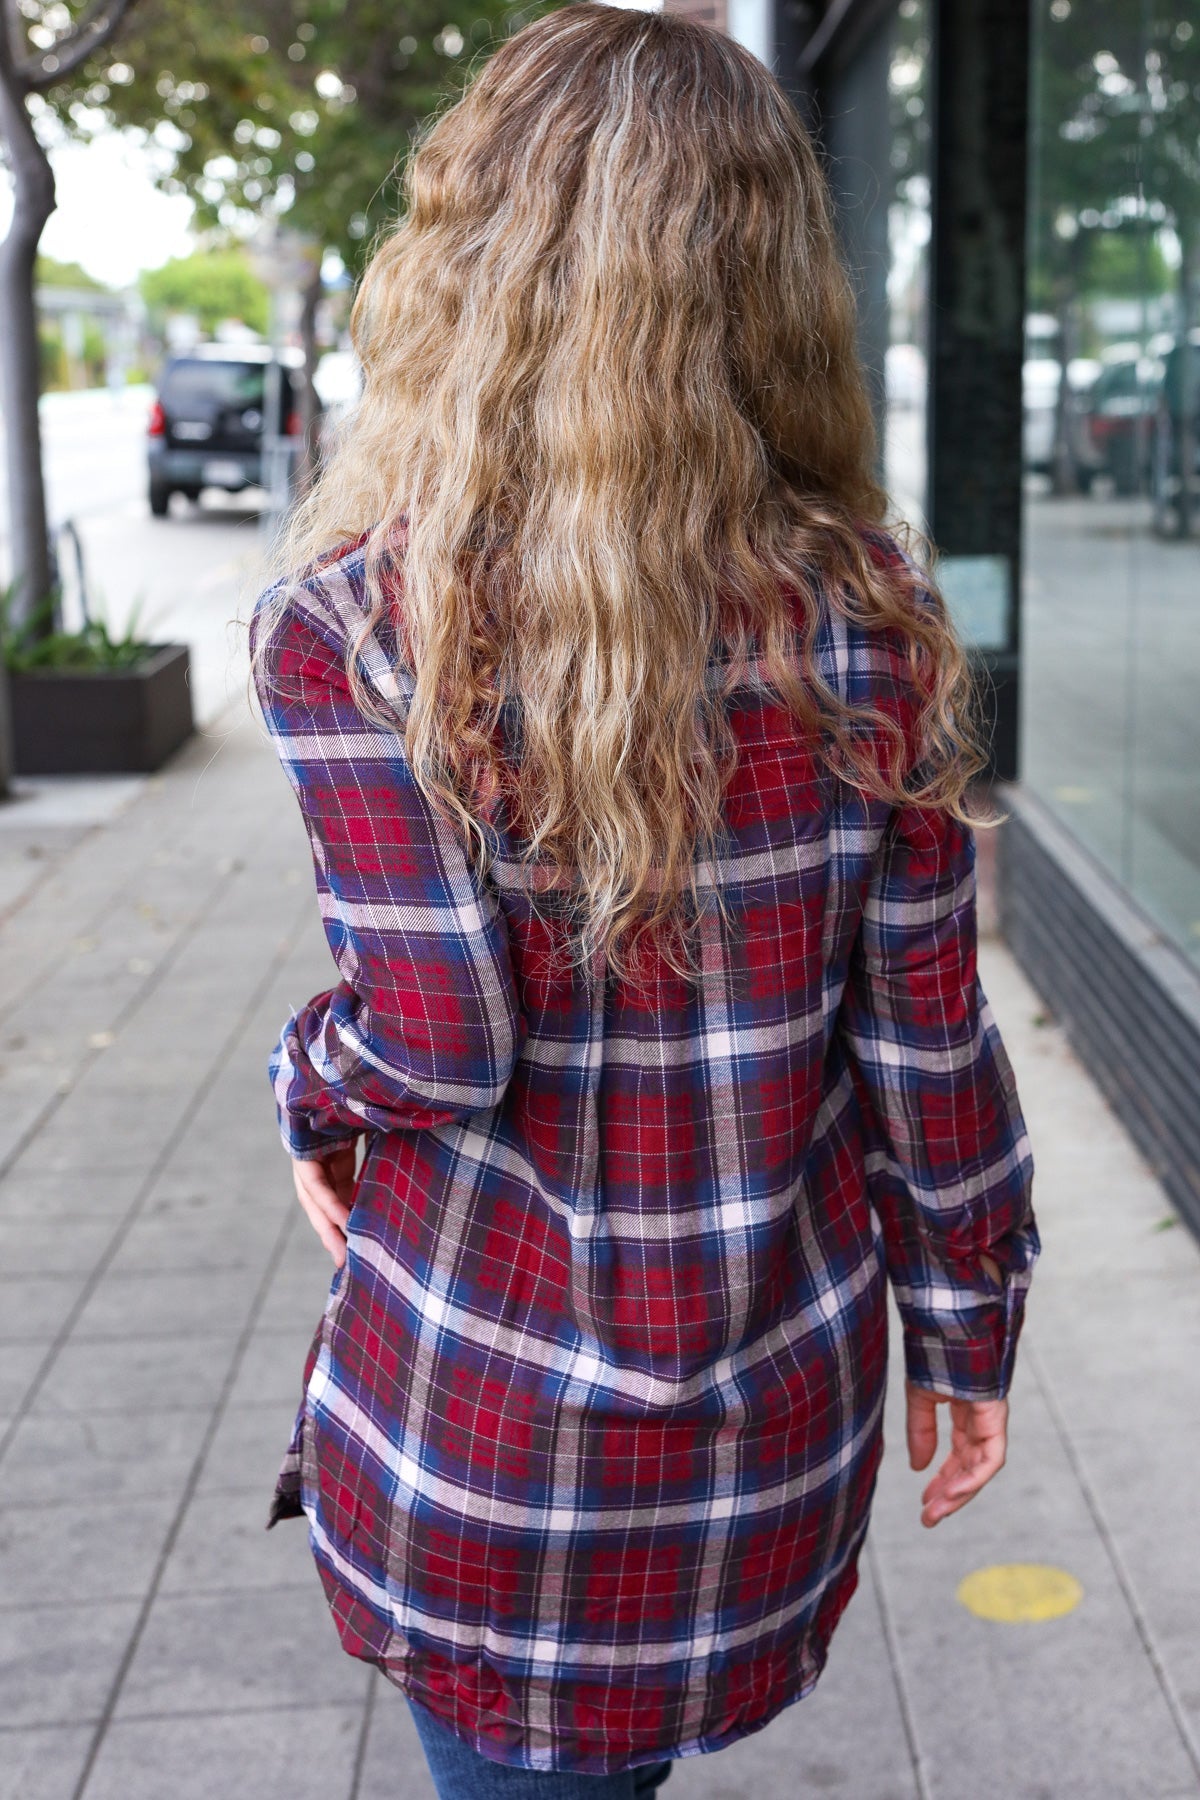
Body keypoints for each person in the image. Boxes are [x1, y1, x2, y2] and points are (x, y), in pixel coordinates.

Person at [249, 6, 1040, 1795]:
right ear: (771, 285)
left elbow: (433, 1043)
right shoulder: (874, 623)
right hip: (765, 1432)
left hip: (491, 1446)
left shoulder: (366, 631)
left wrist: (308, 1084)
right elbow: (932, 1045)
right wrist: (969, 1330)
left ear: (472, 266)